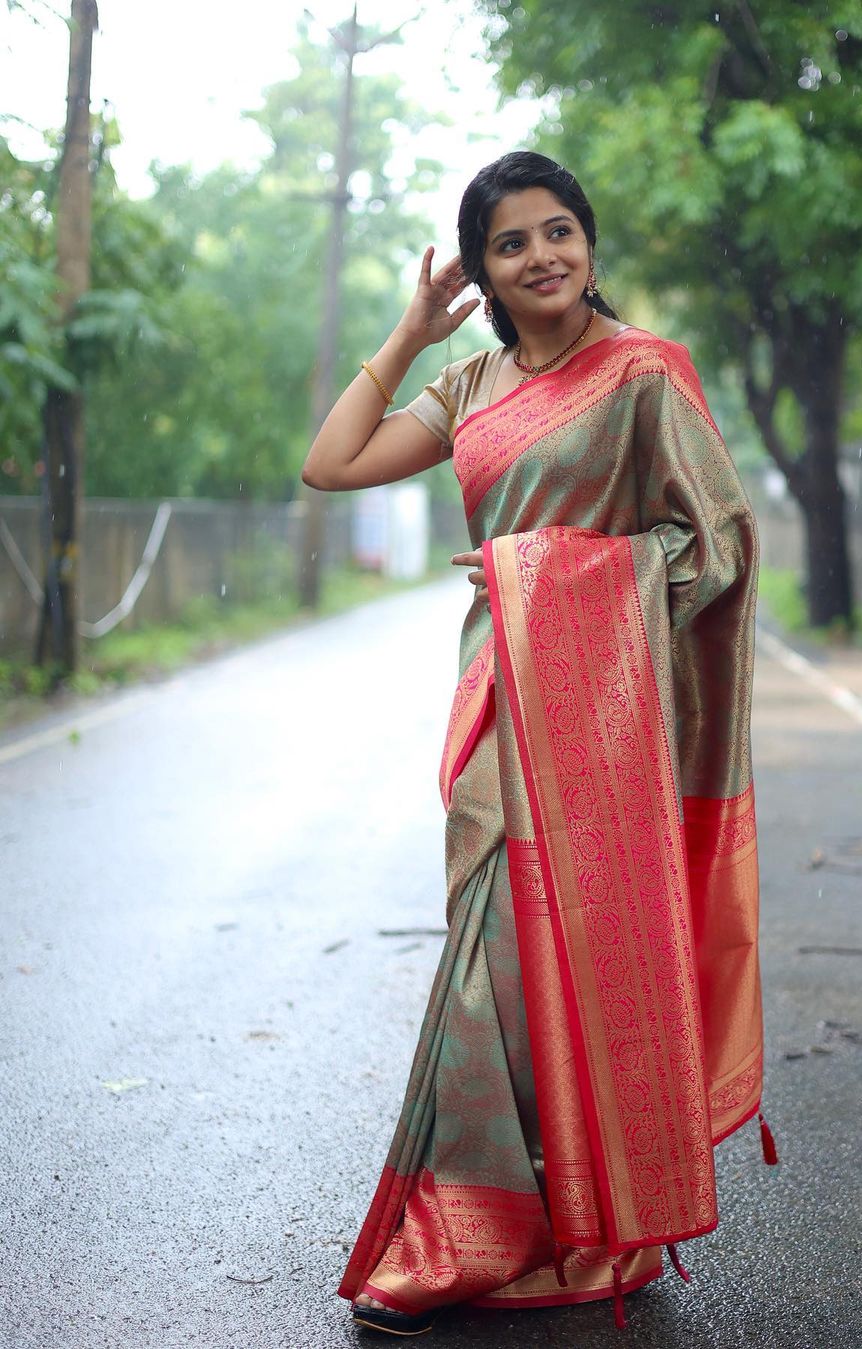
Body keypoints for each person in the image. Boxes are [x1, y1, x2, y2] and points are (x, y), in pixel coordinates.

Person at [302, 150, 773, 1338]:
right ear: (489, 274)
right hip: (494, 710)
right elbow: (330, 462)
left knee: (565, 968)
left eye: (559, 231)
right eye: (511, 244)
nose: (541, 255)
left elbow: (715, 538)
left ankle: (558, 1225)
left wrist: (556, 574)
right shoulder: (466, 390)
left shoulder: (645, 377)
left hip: (607, 720)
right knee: (496, 969)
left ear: (591, 245)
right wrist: (412, 329)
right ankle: (491, 1225)